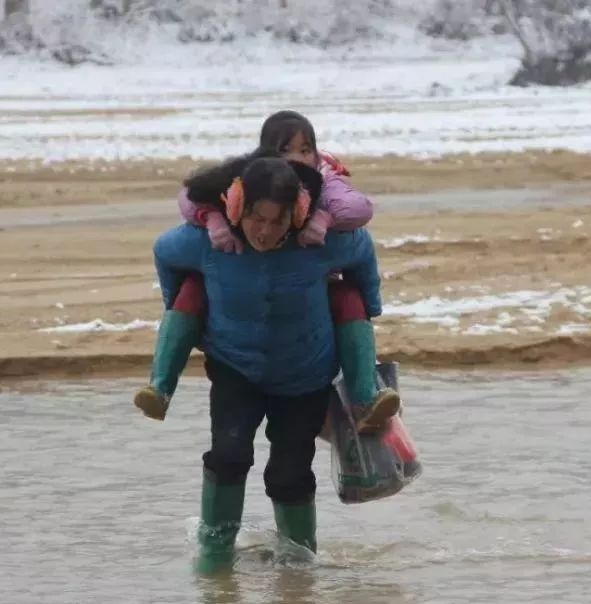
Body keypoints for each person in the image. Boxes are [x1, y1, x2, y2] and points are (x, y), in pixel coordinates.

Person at [151, 153, 382, 572]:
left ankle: (299, 568)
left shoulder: (320, 245)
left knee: (289, 474)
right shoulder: (205, 241)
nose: (265, 230)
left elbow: (363, 250)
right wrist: (185, 309)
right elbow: (163, 252)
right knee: (228, 454)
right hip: (235, 368)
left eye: (277, 221)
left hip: (305, 375)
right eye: (257, 218)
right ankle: (215, 558)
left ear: (295, 215)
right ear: (237, 207)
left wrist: (370, 303)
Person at [134, 110, 399, 432]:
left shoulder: (326, 182)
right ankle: (160, 387)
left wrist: (323, 221)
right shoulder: (244, 182)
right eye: (284, 150)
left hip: (310, 314)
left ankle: (365, 397)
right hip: (236, 334)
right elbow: (187, 207)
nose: (296, 159)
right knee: (193, 288)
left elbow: (360, 224)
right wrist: (213, 221)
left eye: (305, 150)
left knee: (348, 296)